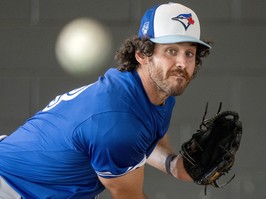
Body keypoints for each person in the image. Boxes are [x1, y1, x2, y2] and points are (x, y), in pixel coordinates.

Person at [0, 2, 212, 199]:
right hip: (12, 186)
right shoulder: (119, 122)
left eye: (190, 53)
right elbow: (129, 195)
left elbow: (145, 136)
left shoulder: (157, 91)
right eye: (171, 51)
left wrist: (172, 164)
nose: (182, 63)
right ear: (142, 55)